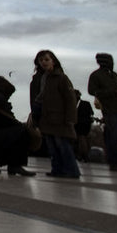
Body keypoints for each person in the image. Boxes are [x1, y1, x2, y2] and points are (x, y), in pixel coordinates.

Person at [30, 50, 80, 178]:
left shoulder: (61, 78)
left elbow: (70, 98)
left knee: (63, 145)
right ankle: (57, 169)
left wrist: (70, 118)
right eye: (41, 60)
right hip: (46, 117)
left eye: (46, 59)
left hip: (59, 117)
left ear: (53, 60)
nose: (44, 62)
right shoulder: (40, 78)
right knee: (52, 147)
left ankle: (71, 170)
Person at [87, 52, 117, 172]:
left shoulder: (114, 75)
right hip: (111, 110)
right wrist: (113, 92)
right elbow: (92, 91)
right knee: (113, 135)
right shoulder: (96, 75)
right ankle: (114, 161)